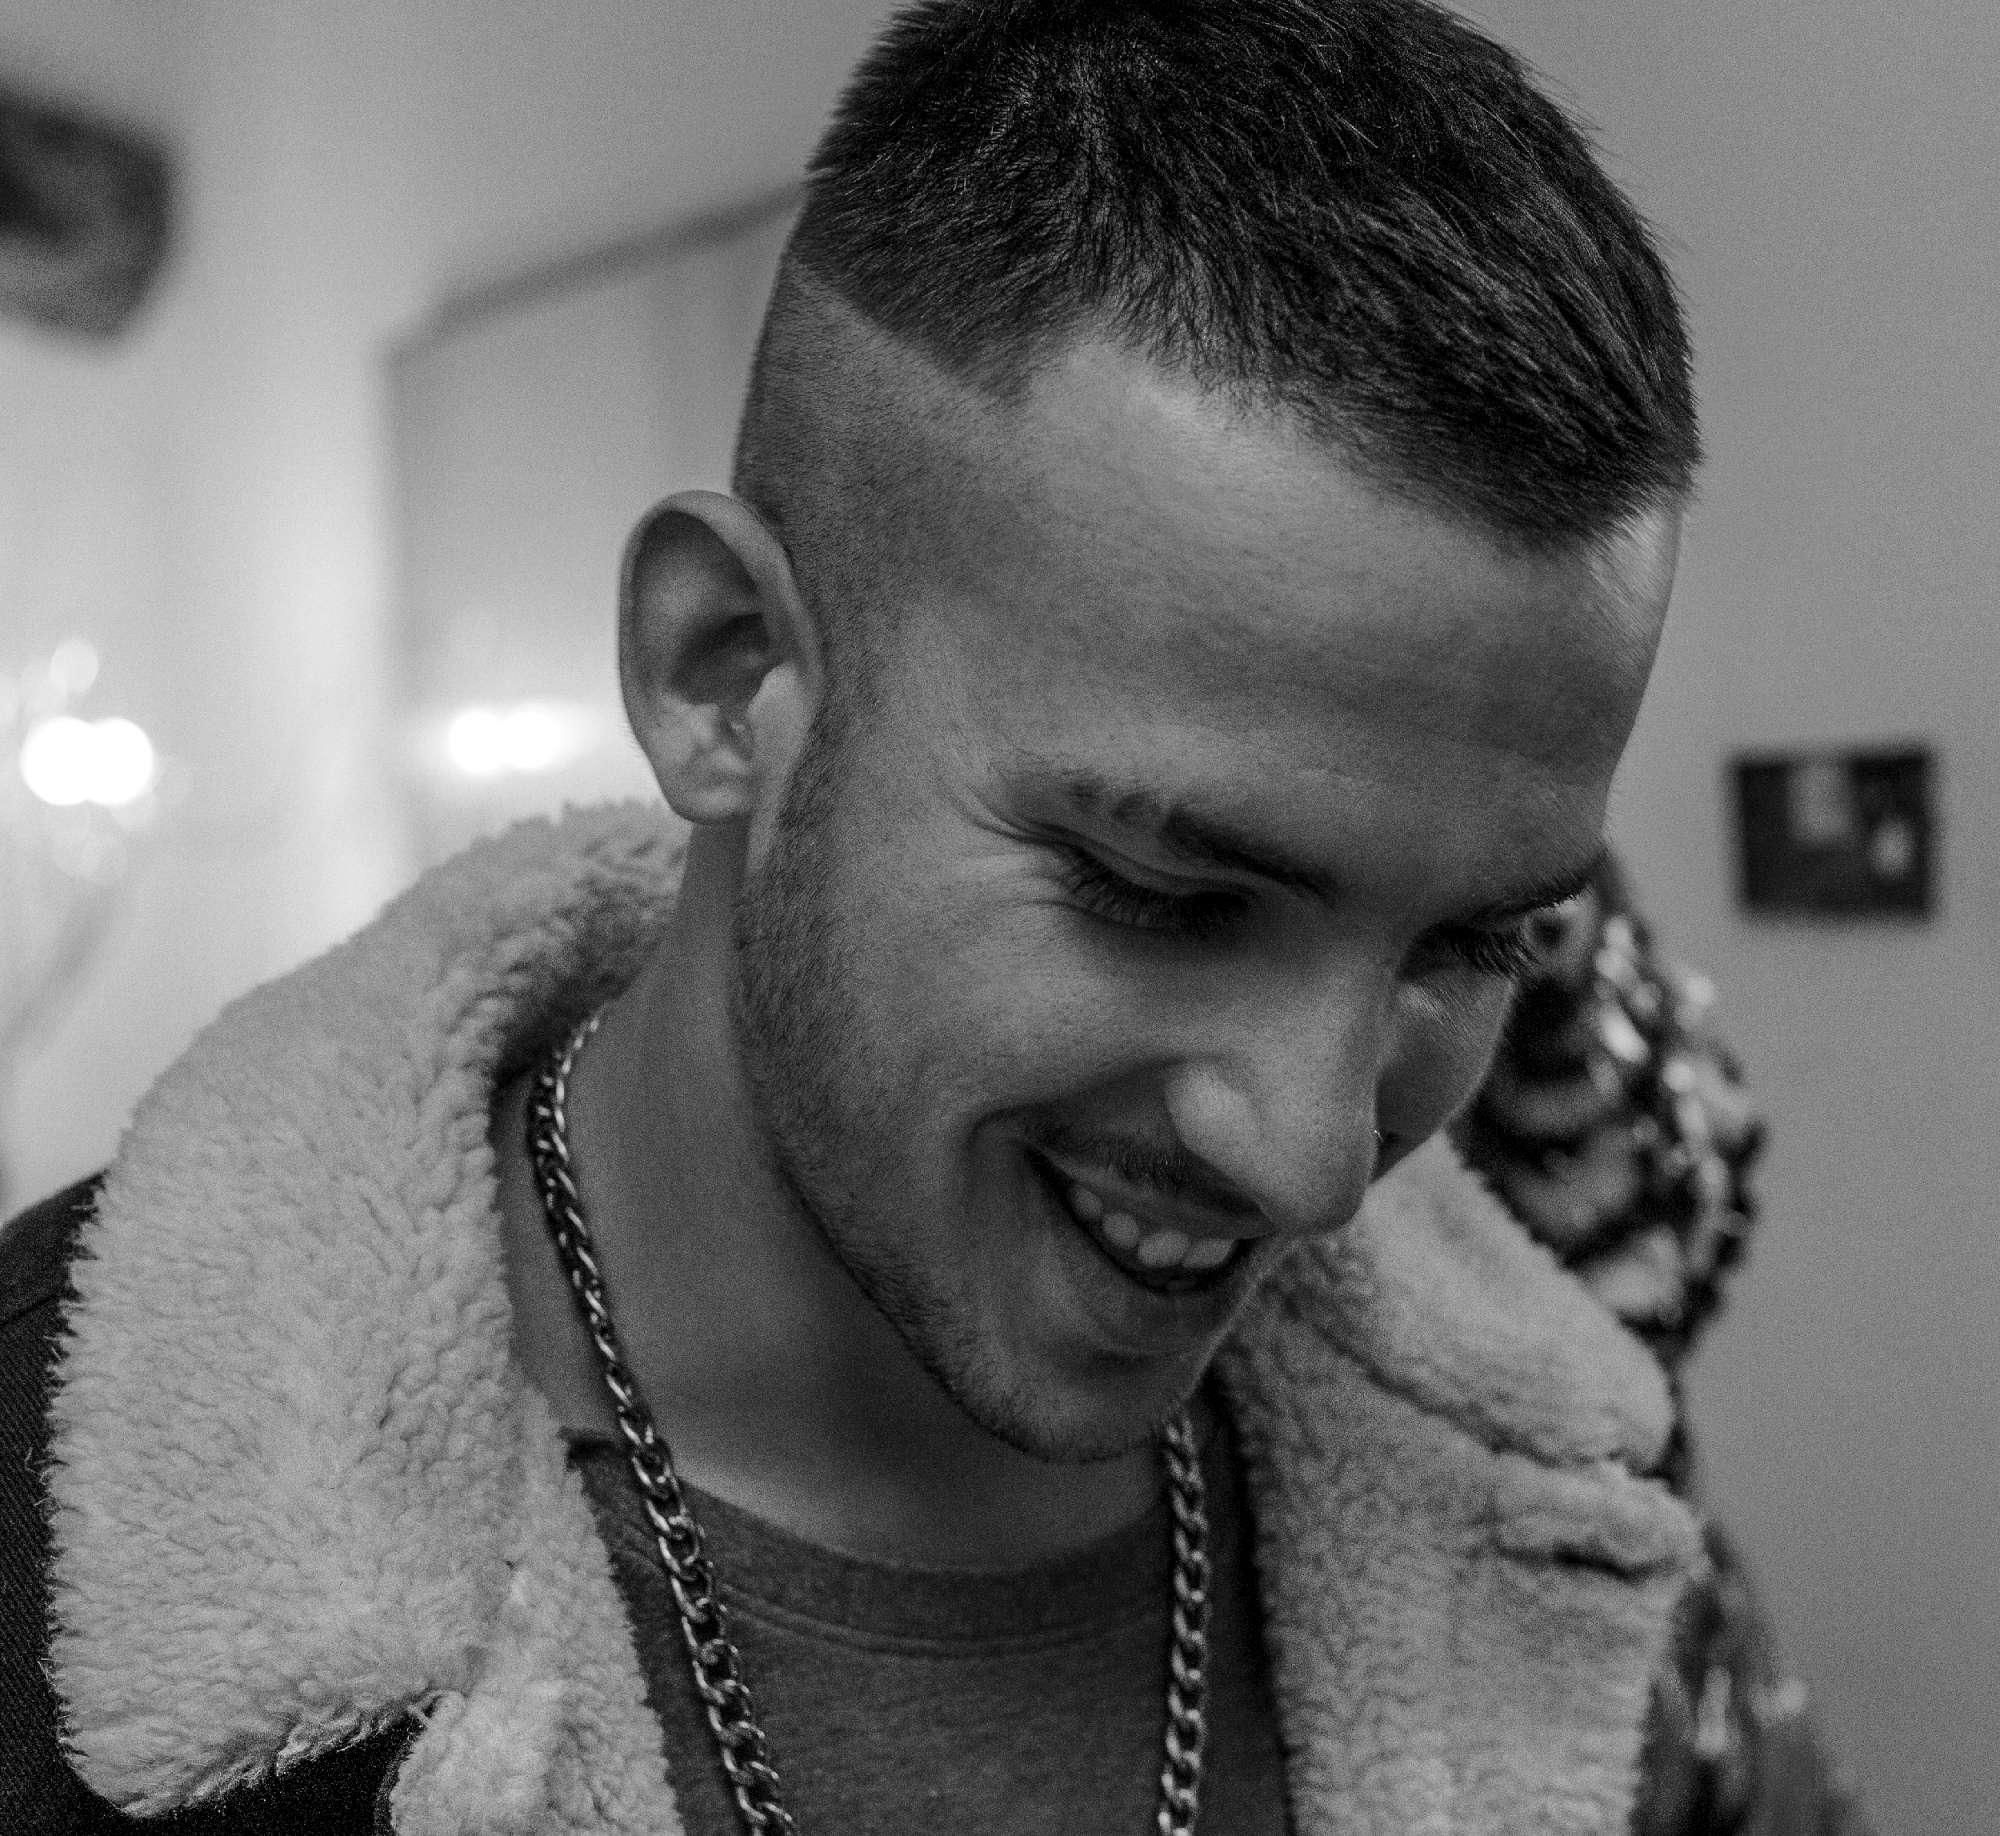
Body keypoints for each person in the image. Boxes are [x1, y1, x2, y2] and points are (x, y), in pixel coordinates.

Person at [0, 2, 1868, 1830]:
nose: (1312, 1166)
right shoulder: (52, 1547)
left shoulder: (1572, 1538)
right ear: (727, 675)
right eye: (1166, 892)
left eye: (1471, 945)